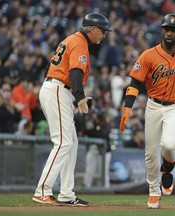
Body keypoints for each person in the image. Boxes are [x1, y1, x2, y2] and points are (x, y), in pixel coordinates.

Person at [119, 13, 175, 209]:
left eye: (173, 30)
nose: (168, 32)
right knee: (150, 152)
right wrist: (127, 108)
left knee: (168, 145)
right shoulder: (148, 55)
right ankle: (153, 192)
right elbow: (135, 83)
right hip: (154, 105)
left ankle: (168, 170)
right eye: (166, 28)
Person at [32, 12, 112, 207]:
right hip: (58, 89)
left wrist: (76, 96)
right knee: (63, 143)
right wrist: (80, 97)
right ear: (92, 29)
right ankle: (43, 190)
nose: (104, 35)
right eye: (102, 31)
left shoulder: (74, 40)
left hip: (59, 90)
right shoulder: (79, 42)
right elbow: (75, 71)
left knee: (71, 143)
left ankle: (67, 193)